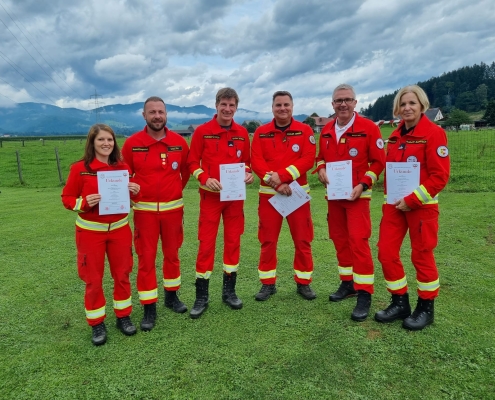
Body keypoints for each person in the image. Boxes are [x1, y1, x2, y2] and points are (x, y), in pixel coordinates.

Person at [374, 85, 450, 330]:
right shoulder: (395, 136)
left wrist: (413, 199)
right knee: (386, 252)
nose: (407, 108)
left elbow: (440, 176)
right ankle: (400, 302)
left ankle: (426, 307)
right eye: (403, 104)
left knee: (422, 255)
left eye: (412, 103)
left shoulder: (434, 133)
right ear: (397, 108)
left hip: (422, 207)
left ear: (422, 106)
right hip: (394, 206)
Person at [62, 124, 140, 345]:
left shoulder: (123, 168)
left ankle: (123, 316)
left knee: (122, 274)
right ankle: (97, 323)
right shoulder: (80, 168)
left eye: (110, 139)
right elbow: (67, 198)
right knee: (93, 279)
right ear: (92, 142)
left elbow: (130, 200)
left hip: (119, 230)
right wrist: (84, 202)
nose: (106, 143)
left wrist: (135, 192)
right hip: (90, 232)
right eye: (101, 140)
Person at [315, 83, 385, 321]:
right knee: (340, 240)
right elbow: (320, 158)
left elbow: (379, 162)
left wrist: (364, 184)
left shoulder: (368, 128)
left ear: (355, 103)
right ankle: (348, 283)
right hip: (334, 197)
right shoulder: (326, 129)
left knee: (359, 242)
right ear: (332, 104)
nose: (342, 104)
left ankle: (364, 293)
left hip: (358, 197)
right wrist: (321, 169)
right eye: (338, 100)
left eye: (347, 100)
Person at [121, 97, 190, 331]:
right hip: (145, 213)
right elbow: (124, 174)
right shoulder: (132, 144)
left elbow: (185, 172)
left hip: (173, 211)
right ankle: (149, 307)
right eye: (152, 112)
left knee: (172, 255)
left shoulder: (179, 143)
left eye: (161, 111)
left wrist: (174, 191)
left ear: (166, 114)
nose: (157, 116)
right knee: (146, 259)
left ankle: (172, 296)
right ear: (144, 115)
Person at [187, 87, 253, 319]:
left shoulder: (242, 133)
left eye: (231, 105)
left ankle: (229, 292)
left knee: (233, 242)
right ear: (216, 106)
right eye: (223, 104)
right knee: (206, 245)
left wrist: (248, 174)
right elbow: (192, 162)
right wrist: (205, 178)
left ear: (236, 107)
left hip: (234, 199)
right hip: (210, 198)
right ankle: (201, 296)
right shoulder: (203, 131)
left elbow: (247, 162)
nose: (227, 109)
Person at [251, 91, 317, 301]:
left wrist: (284, 176)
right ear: (272, 108)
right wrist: (277, 183)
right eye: (278, 105)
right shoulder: (261, 132)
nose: (282, 108)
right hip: (269, 195)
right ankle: (267, 284)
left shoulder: (305, 130)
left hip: (297, 194)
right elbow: (256, 161)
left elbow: (308, 159)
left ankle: (303, 283)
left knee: (303, 239)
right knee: (268, 240)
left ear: (292, 106)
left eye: (286, 104)